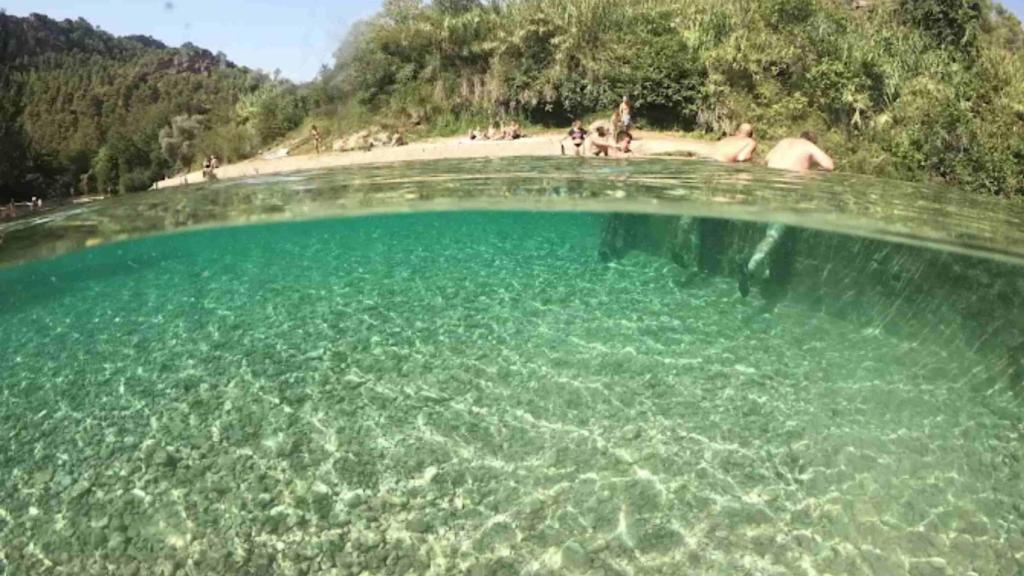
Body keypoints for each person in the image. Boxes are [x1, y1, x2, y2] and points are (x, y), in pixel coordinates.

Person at [738, 131, 834, 297]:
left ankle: (766, 273)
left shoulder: (783, 142)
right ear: (812, 141)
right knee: (773, 236)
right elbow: (830, 166)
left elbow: (767, 160)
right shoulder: (808, 145)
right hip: (785, 191)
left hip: (767, 187)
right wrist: (810, 174)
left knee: (771, 233)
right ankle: (751, 266)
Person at [676, 123, 758, 163]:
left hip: (704, 156)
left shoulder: (727, 139)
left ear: (737, 132)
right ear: (750, 135)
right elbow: (741, 158)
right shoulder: (750, 141)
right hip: (717, 163)